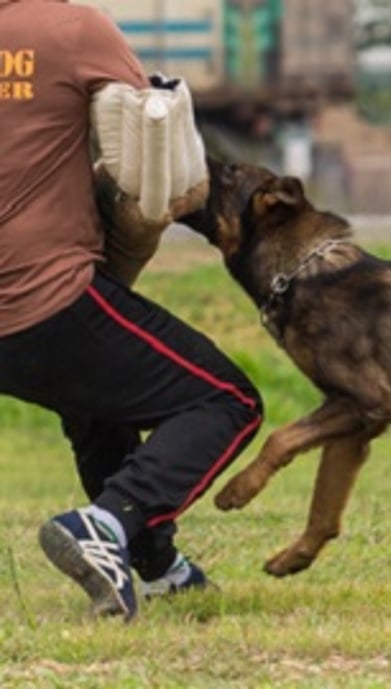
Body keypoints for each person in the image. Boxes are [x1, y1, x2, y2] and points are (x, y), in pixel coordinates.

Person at [0, 0, 263, 621]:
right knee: (227, 400)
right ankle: (105, 525)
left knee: (97, 405)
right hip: (43, 293)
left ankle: (159, 570)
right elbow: (154, 136)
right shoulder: (70, 29)